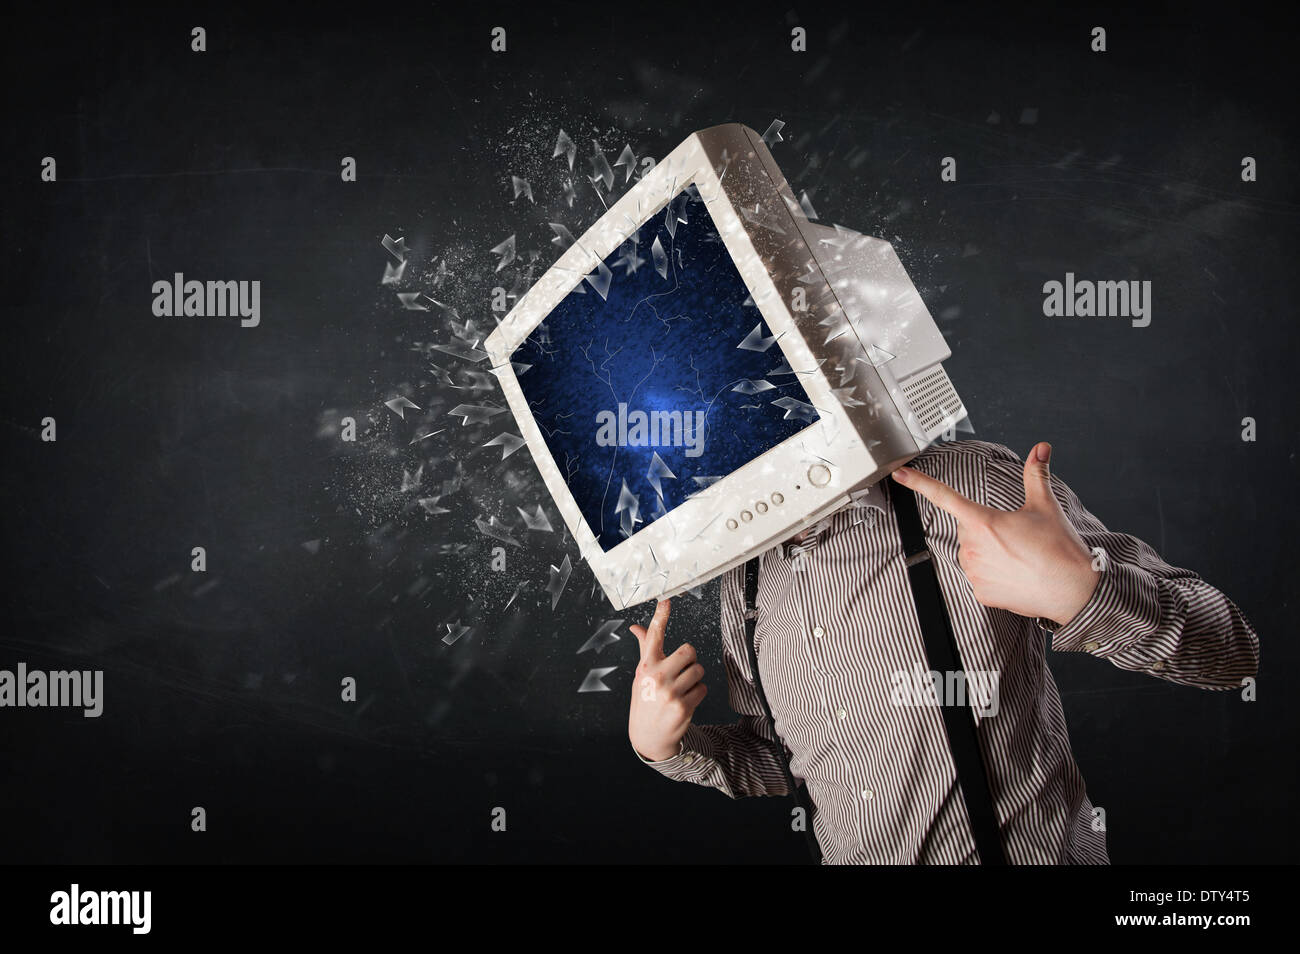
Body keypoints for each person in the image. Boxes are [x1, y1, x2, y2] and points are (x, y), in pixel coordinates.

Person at [626, 439, 1259, 864]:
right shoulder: (745, 579)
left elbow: (1231, 651)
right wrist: (666, 748)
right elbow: (784, 758)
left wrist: (1083, 595)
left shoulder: (969, 483)